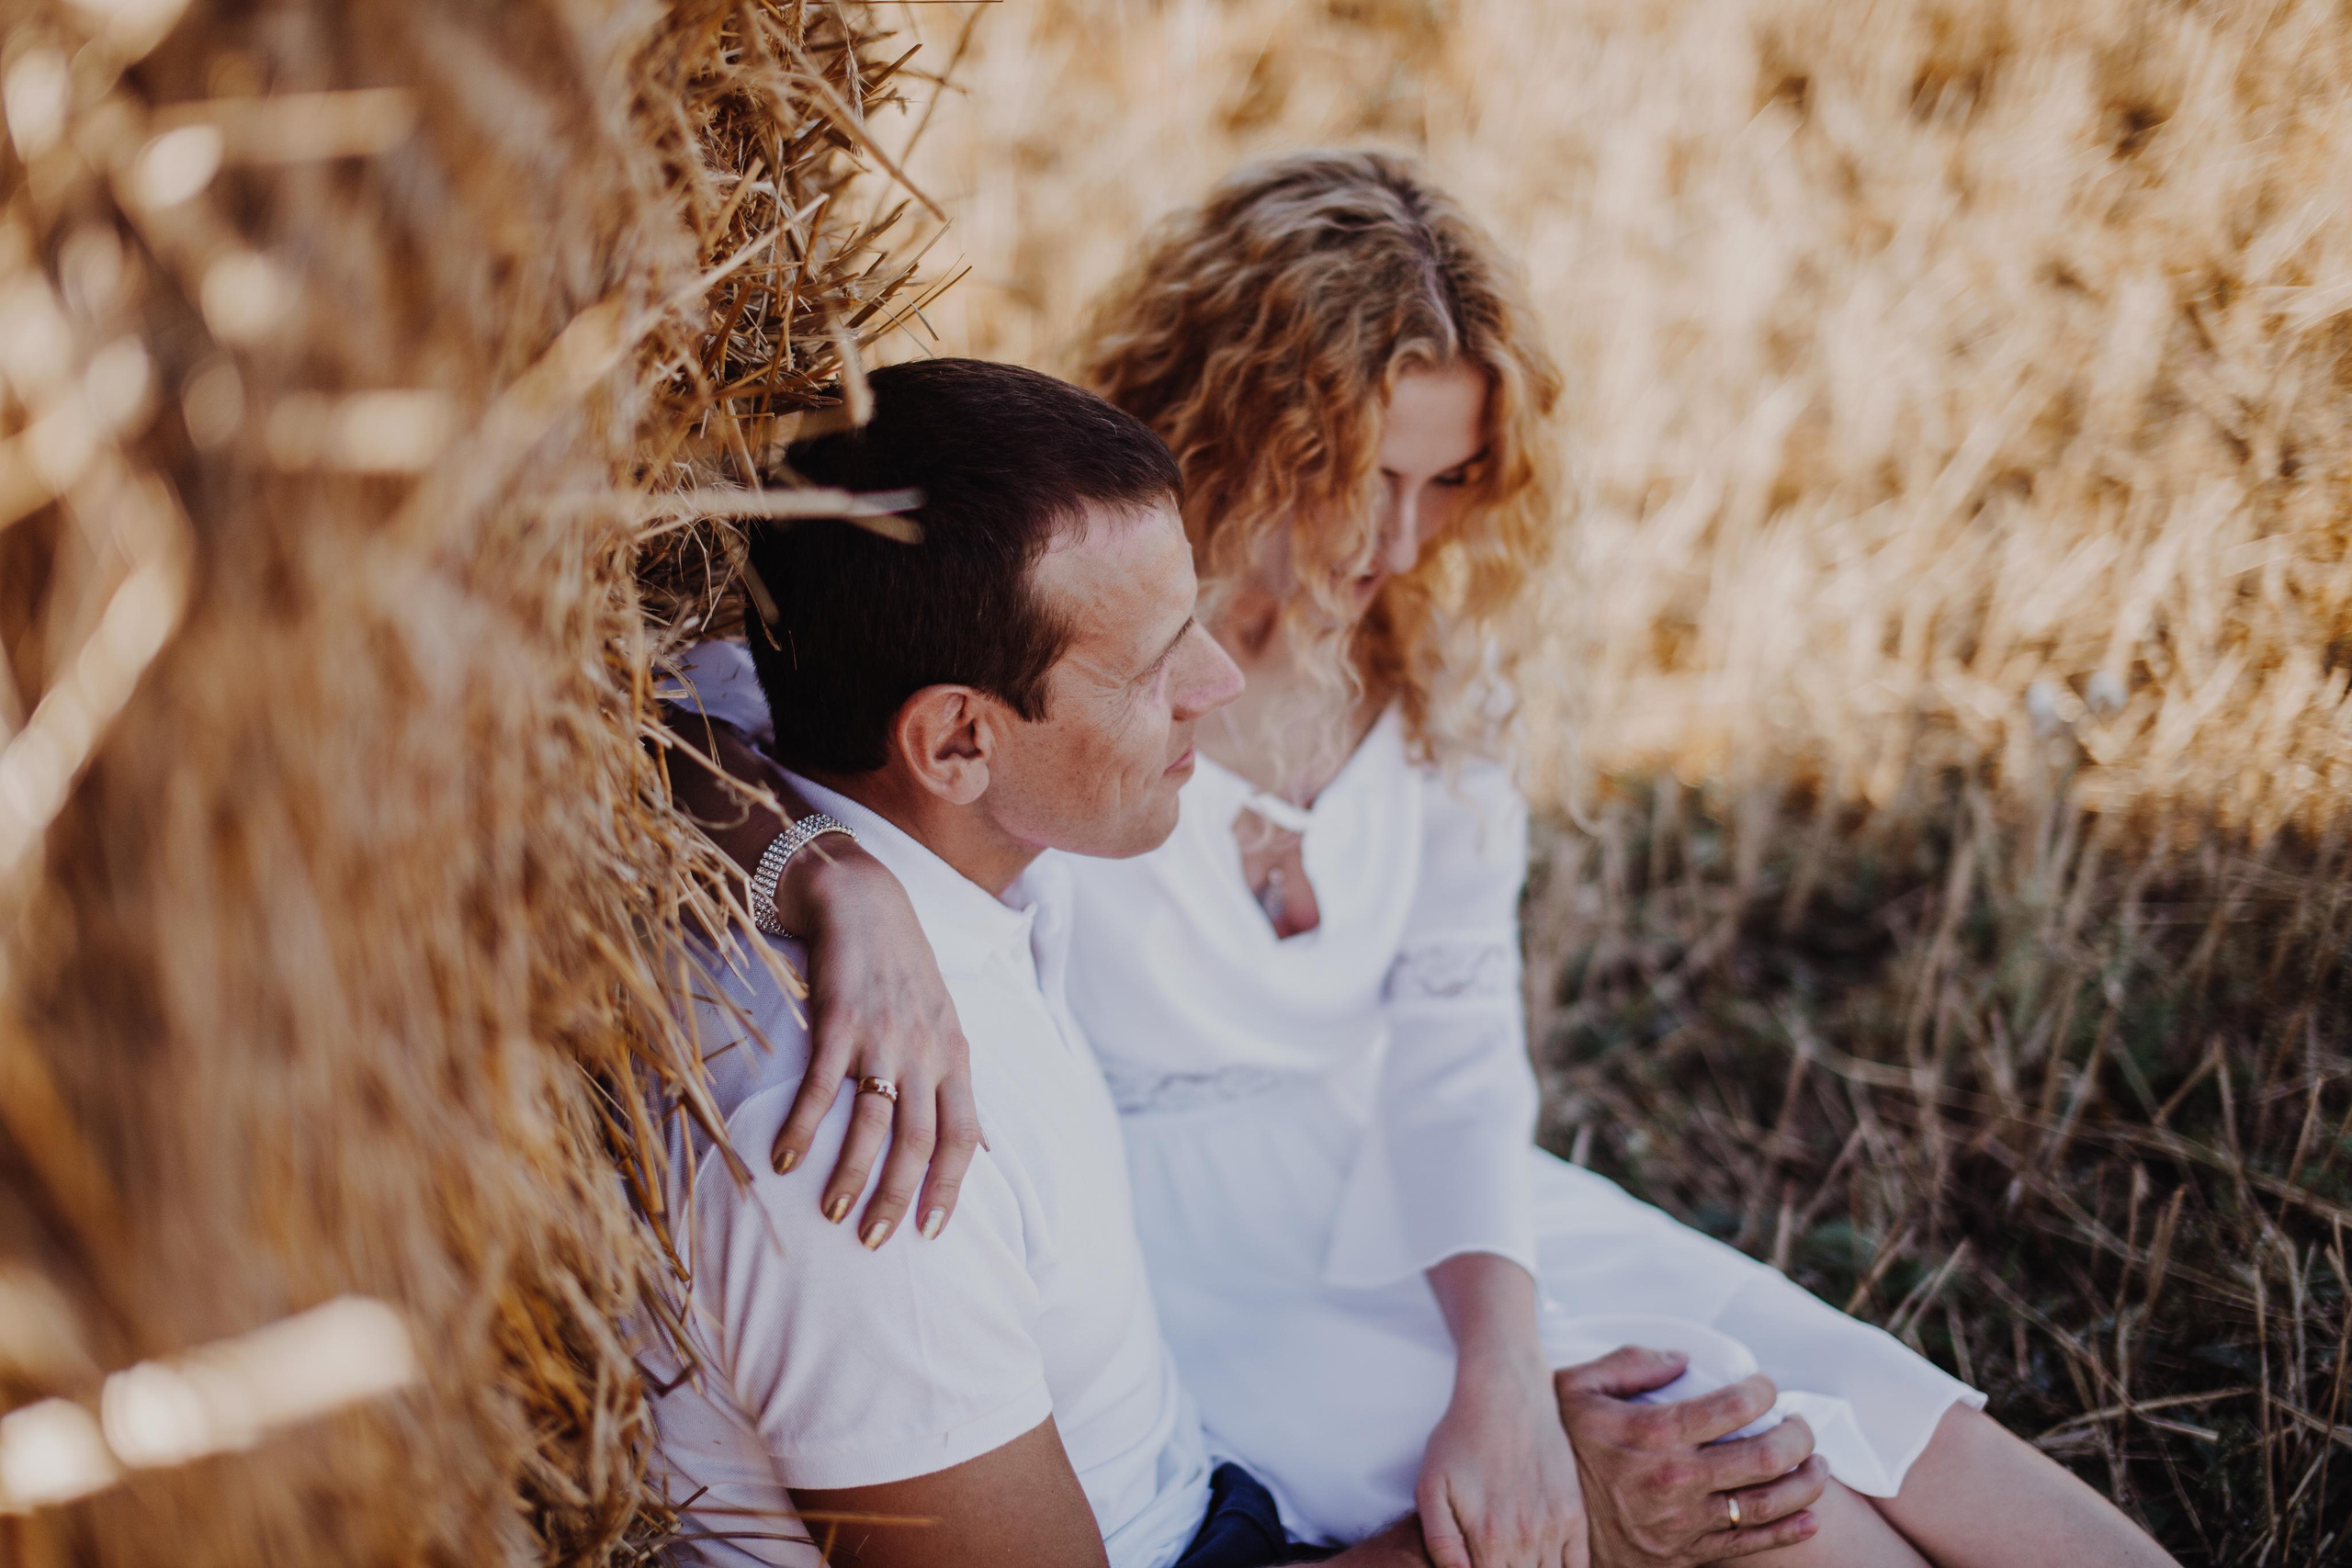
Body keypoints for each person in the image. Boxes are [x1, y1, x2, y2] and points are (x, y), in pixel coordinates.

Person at [686, 156, 2180, 1568]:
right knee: (1757, 1484)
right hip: (1182, 1240)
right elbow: (690, 723)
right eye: (1356, 472)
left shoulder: (1425, 673)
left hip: (1410, 1174)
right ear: (1245, 415)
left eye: (1451, 480)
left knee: (1908, 1422)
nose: (1396, 538)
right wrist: (830, 871)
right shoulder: (1053, 610)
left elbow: (1457, 1044)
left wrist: (1498, 1351)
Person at [643, 358, 1826, 1568]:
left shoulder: (915, 826)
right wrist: (1560, 1541)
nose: (1218, 681)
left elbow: (623, 712)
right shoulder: (869, 1157)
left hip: (1209, 1486)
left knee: (1789, 1462)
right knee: (1762, 1511)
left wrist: (823, 866)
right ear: (954, 739)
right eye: (1157, 665)